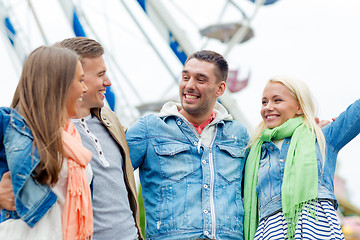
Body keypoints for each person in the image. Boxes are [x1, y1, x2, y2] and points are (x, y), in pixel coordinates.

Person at [126, 50, 249, 240]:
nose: (189, 85)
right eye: (185, 77)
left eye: (201, 80)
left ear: (220, 88)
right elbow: (109, 177)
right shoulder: (149, 129)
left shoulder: (238, 135)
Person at [243, 76, 359, 240]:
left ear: (299, 107)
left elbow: (356, 114)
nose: (268, 107)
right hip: (270, 233)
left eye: (277, 100)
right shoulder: (255, 152)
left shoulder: (322, 137)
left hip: (318, 231)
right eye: (264, 102)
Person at [54, 37, 143, 240]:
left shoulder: (110, 120)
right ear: (76, 77)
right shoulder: (44, 133)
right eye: (101, 74)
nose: (108, 82)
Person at [0, 46, 92, 240]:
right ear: (60, 84)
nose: (85, 88)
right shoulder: (10, 126)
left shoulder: (71, 136)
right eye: (81, 80)